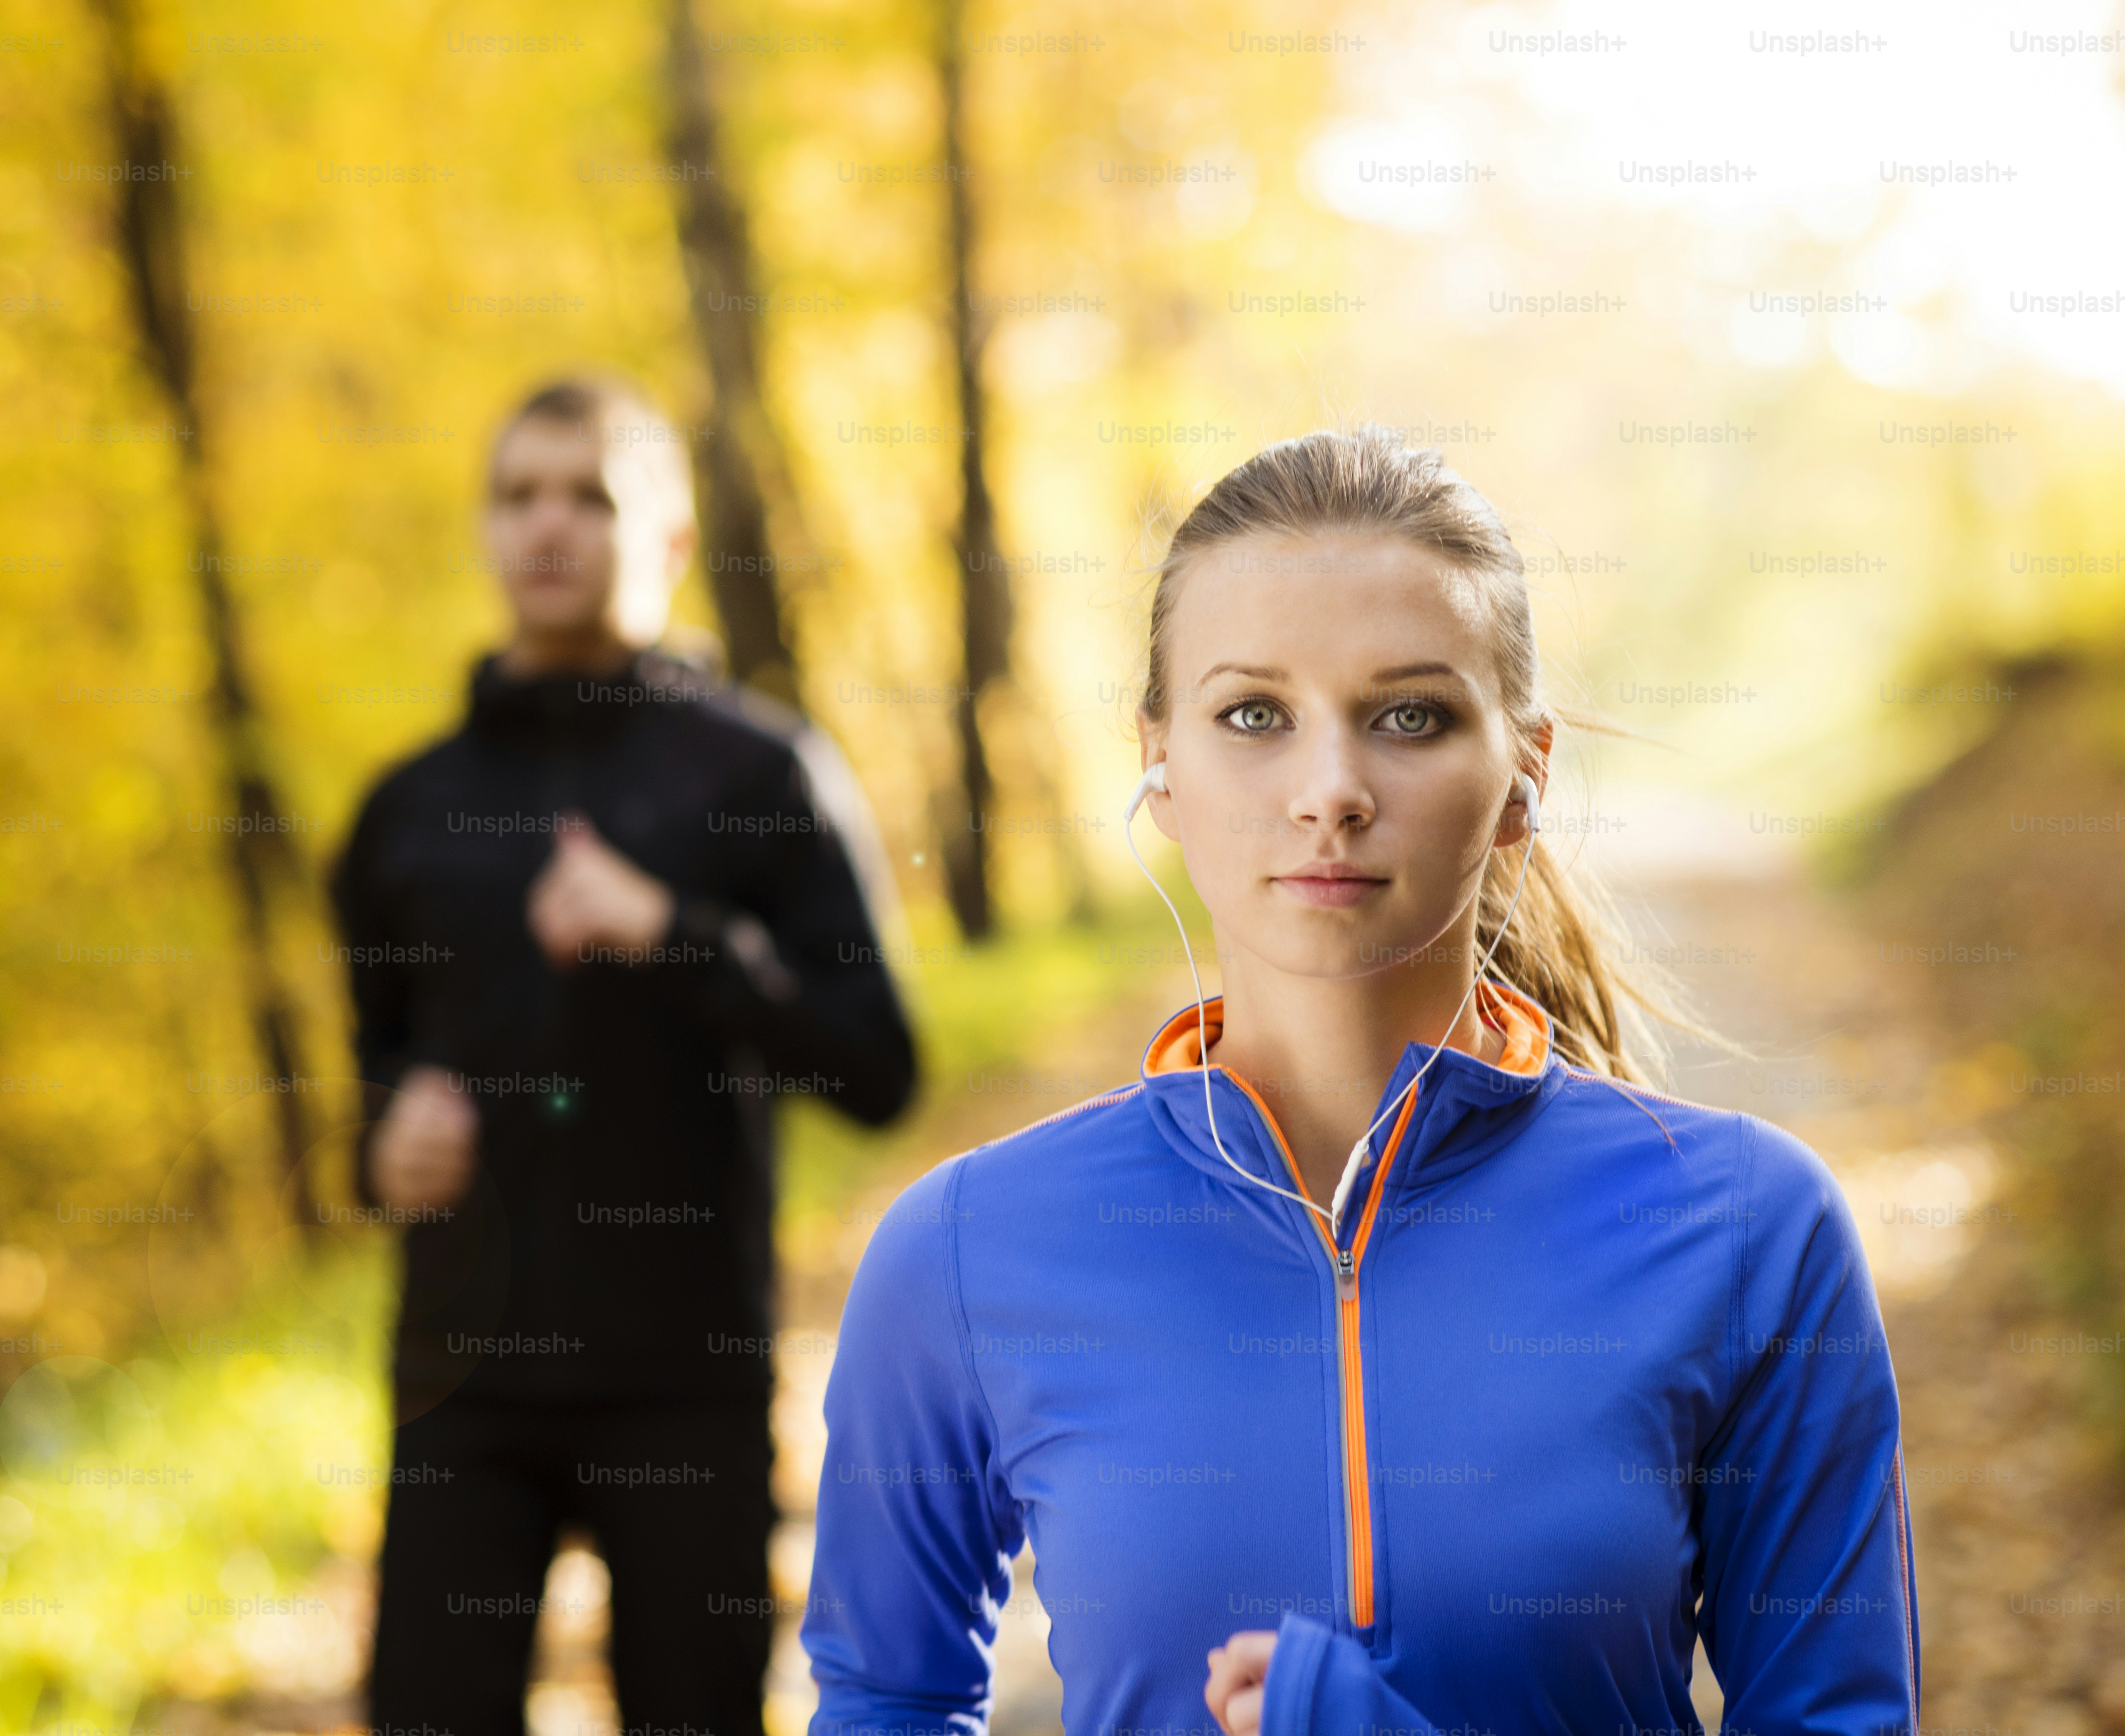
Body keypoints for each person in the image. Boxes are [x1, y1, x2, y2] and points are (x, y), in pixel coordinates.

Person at [801, 427, 1917, 1736]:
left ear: (1524, 776)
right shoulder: (964, 1247)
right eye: (1253, 716)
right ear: (1159, 763)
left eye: (1409, 717)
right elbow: (883, 1701)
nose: (1329, 791)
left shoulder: (1749, 1226)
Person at [332, 376, 918, 1736]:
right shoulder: (405, 811)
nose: (550, 525)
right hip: (462, 1387)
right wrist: (381, 1140)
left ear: (668, 537)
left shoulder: (760, 775)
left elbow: (876, 1066)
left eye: (590, 496)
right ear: (486, 529)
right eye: (518, 494)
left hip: (685, 1384)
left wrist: (677, 935)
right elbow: (372, 1066)